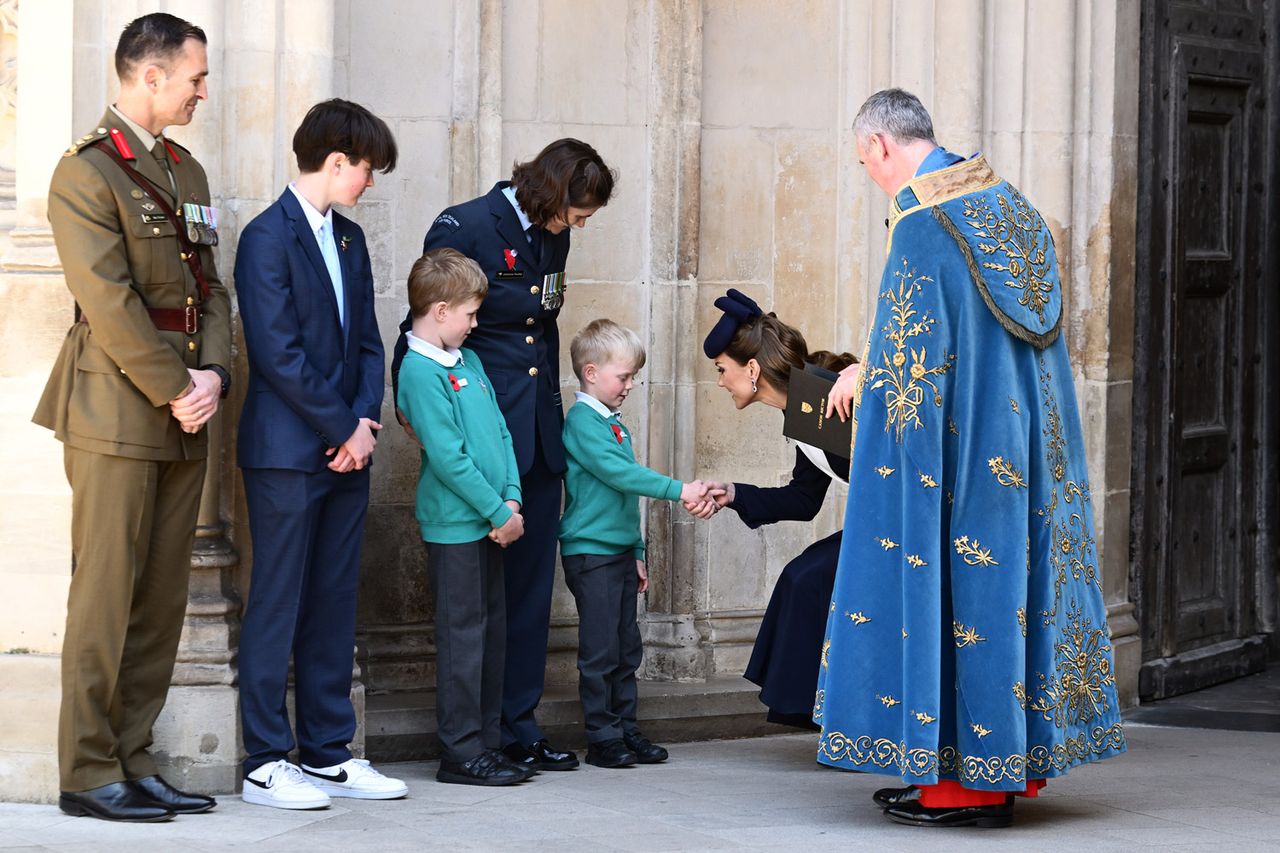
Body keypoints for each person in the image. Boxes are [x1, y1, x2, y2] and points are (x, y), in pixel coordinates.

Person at [815, 89, 1126, 828]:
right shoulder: (1007, 205)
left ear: (881, 147)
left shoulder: (923, 225)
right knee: (1004, 594)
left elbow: (914, 381)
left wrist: (866, 382)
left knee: (954, 590)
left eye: (866, 163)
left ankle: (966, 790)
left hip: (961, 457)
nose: (872, 177)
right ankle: (988, 772)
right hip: (1022, 449)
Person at [34, 12, 230, 823]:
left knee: (161, 596)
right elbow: (109, 304)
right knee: (106, 594)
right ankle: (85, 769)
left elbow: (210, 291)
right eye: (195, 77)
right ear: (149, 76)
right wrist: (178, 387)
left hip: (187, 409)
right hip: (118, 409)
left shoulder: (186, 172)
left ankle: (133, 756)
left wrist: (214, 371)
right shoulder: (83, 174)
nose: (202, 91)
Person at [390, 139, 615, 773]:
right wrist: (406, 393)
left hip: (536, 433)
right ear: (548, 193)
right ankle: (476, 736)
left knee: (528, 592)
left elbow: (542, 324)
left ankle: (518, 723)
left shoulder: (553, 236)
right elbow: (422, 314)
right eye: (573, 214)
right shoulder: (465, 225)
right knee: (476, 604)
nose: (575, 227)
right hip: (483, 432)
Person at [234, 99, 406, 809]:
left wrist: (362, 423)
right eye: (367, 169)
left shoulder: (351, 241)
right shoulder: (264, 237)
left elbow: (367, 341)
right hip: (286, 451)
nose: (369, 182)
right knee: (279, 597)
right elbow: (277, 353)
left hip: (347, 448)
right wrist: (342, 427)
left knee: (335, 600)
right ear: (337, 162)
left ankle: (330, 751)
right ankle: (265, 758)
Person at [396, 249, 534, 787]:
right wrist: (497, 510)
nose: (476, 324)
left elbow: (500, 431)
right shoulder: (418, 369)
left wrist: (513, 500)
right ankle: (459, 751)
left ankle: (488, 743)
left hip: (496, 518)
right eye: (471, 314)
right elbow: (448, 456)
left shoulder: (467, 361)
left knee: (491, 635)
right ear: (439, 309)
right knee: (462, 639)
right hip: (458, 524)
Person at [691, 290, 856, 730]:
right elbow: (805, 499)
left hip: (913, 529)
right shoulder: (802, 410)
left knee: (810, 579)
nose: (721, 381)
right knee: (802, 575)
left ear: (751, 369)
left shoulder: (825, 401)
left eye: (722, 370)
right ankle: (810, 711)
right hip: (880, 527)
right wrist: (734, 493)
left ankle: (830, 715)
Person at [560, 320, 707, 768]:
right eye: (623, 377)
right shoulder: (584, 422)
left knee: (626, 647)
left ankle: (626, 728)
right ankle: (602, 737)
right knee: (601, 650)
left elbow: (622, 501)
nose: (629, 386)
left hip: (618, 552)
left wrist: (639, 552)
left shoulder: (613, 423)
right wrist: (679, 488)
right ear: (590, 373)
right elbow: (620, 475)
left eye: (632, 377)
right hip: (591, 552)